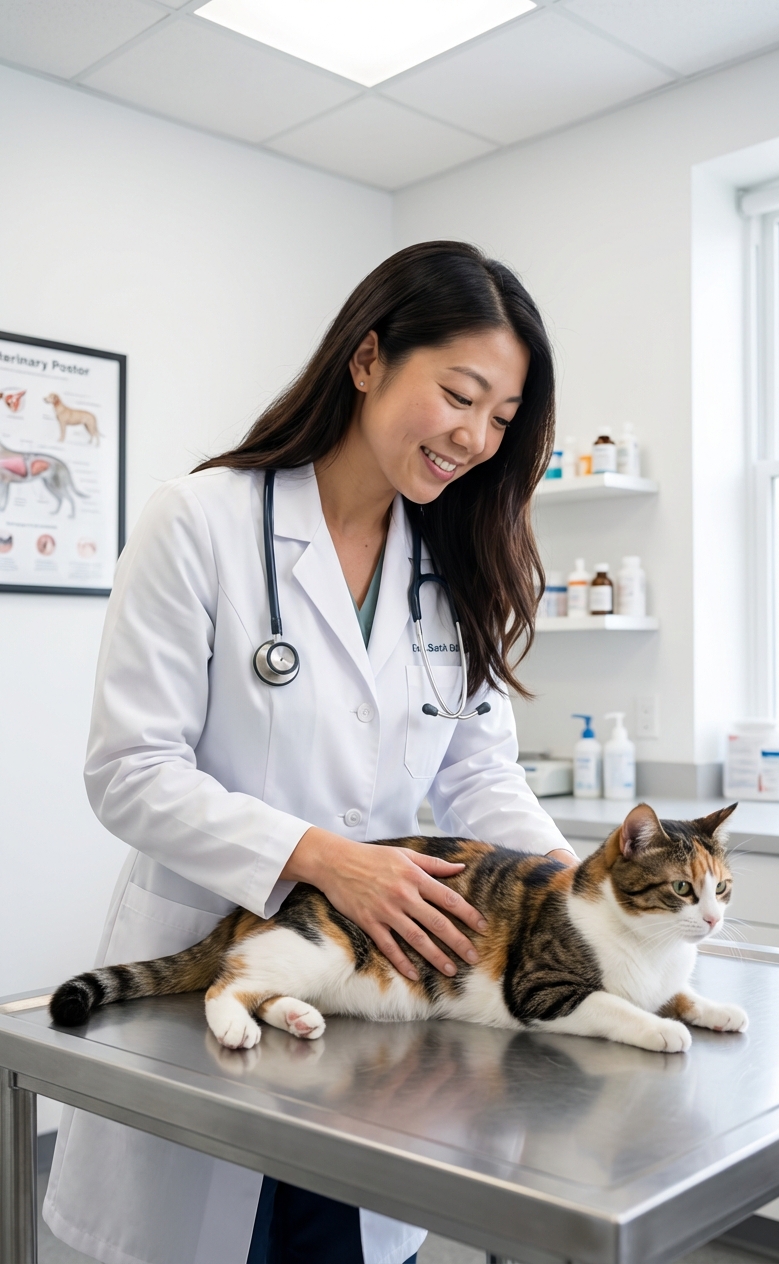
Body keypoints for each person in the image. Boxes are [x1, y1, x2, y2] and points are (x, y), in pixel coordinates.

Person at [44, 241, 578, 1264]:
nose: (473, 438)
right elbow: (130, 769)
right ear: (368, 358)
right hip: (214, 980)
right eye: (458, 395)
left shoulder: (451, 562)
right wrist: (326, 858)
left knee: (352, 1239)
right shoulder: (198, 522)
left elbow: (474, 769)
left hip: (377, 1002)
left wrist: (566, 890)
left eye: (501, 420)